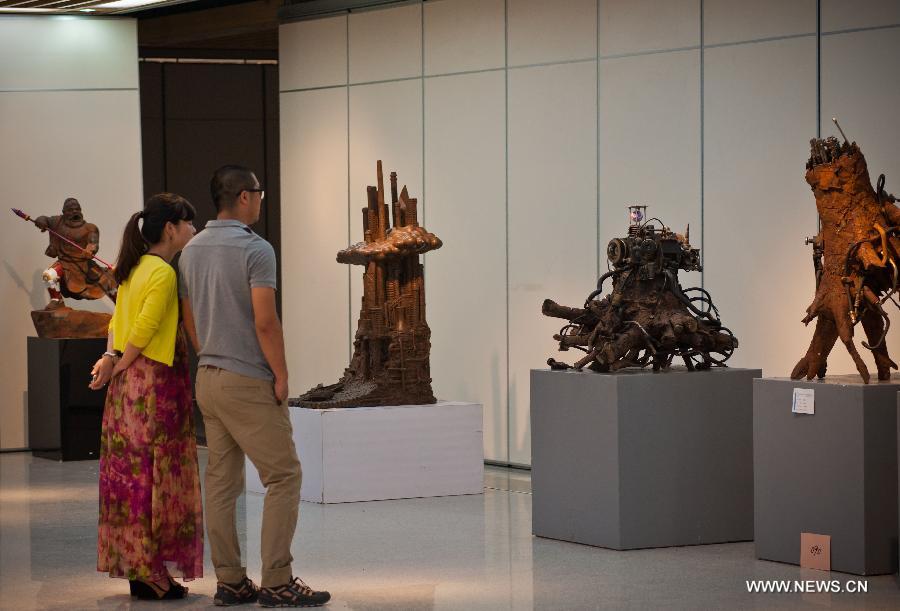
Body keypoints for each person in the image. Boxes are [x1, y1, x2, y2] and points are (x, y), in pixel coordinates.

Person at [179, 165, 330, 607]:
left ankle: (229, 580)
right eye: (259, 193)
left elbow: (189, 317)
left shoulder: (192, 250)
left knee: (222, 484)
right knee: (284, 475)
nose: (262, 199)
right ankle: (278, 580)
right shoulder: (256, 250)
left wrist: (209, 353)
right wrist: (281, 375)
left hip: (207, 378)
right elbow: (266, 321)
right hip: (247, 379)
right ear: (244, 197)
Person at [89, 193, 201, 600]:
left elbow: (118, 322)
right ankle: (152, 572)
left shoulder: (133, 268)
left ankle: (143, 568)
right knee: (154, 477)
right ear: (170, 229)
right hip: (154, 386)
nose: (193, 229)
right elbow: (146, 325)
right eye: (188, 223)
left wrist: (111, 359)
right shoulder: (164, 273)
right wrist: (121, 360)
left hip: (127, 389)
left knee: (131, 477)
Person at [34, 197, 117, 308]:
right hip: (64, 264)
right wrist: (41, 220)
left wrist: (90, 249)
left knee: (107, 282)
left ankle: (120, 305)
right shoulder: (57, 222)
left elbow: (93, 242)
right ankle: (56, 299)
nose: (75, 212)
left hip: (84, 264)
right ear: (64, 212)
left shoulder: (89, 228)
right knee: (48, 275)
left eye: (77, 209)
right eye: (71, 210)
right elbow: (44, 219)